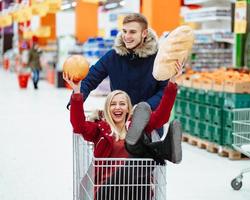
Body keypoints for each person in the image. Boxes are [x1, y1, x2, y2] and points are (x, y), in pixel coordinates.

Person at [64, 63, 182, 199]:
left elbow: (162, 116)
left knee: (140, 169)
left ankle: (154, 147)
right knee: (138, 159)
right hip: (107, 190)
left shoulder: (138, 123)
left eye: (122, 104)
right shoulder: (99, 129)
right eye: (113, 104)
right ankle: (163, 149)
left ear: (128, 108)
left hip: (137, 189)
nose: (117, 107)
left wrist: (172, 83)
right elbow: (78, 126)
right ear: (107, 109)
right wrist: (77, 92)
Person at [68, 13, 168, 135]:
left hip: (149, 123)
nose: (127, 36)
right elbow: (90, 79)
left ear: (144, 33)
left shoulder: (157, 59)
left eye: (132, 32)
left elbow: (164, 90)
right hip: (119, 123)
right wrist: (75, 102)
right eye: (124, 31)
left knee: (145, 150)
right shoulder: (113, 56)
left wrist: (145, 107)